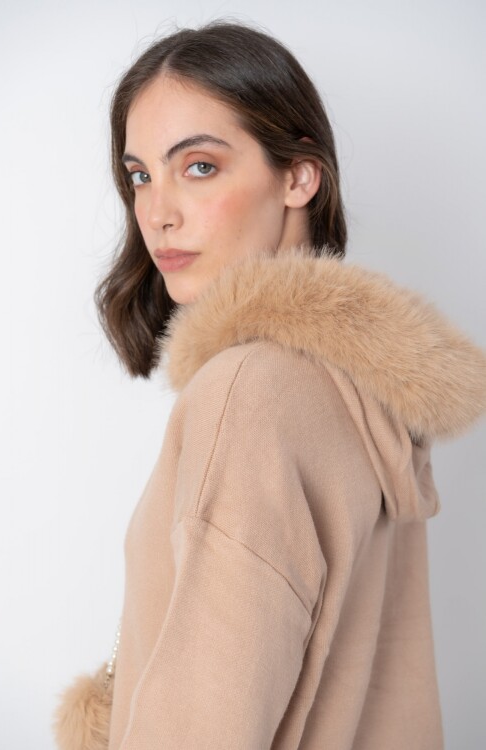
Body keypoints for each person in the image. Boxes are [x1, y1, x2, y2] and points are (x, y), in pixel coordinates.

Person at [53, 20, 486, 750]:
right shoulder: (358, 390)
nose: (156, 212)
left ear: (298, 177)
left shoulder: (246, 392)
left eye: (199, 166)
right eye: (140, 175)